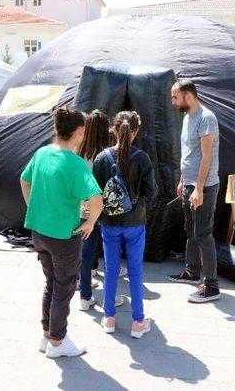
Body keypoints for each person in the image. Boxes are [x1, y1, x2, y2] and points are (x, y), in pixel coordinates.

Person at [20, 106, 103, 358]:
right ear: (80, 132)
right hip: (64, 237)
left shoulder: (42, 153)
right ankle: (58, 341)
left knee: (51, 283)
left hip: (39, 232)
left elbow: (24, 180)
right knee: (64, 287)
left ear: (56, 129)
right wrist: (89, 222)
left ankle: (48, 335)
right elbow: (97, 201)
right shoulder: (76, 165)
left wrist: (34, 207)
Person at [93, 111, 156, 338]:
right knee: (136, 271)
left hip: (109, 223)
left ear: (114, 130)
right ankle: (138, 321)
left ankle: (109, 317)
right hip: (135, 222)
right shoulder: (142, 159)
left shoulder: (101, 159)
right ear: (135, 131)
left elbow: (95, 194)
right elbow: (152, 192)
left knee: (110, 270)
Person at [168, 79, 221, 303]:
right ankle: (192, 272)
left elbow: (207, 157)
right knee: (190, 230)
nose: (172, 102)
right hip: (190, 184)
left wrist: (198, 189)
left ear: (188, 96)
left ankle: (211, 286)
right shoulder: (187, 118)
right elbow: (189, 154)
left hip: (204, 187)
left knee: (203, 234)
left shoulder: (206, 118)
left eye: (175, 97)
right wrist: (183, 181)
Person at [76, 110, 110, 311]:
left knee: (85, 251)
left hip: (82, 207)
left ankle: (84, 291)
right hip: (103, 208)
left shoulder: (79, 152)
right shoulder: (106, 154)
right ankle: (108, 296)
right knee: (108, 249)